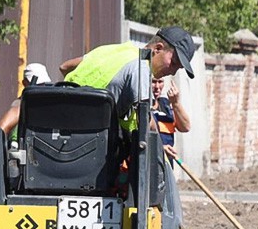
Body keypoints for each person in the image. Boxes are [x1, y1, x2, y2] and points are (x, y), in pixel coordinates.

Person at [59, 25, 196, 158]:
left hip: (59, 130)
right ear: (158, 48)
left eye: (178, 68)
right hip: (87, 149)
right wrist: (159, 147)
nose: (173, 71)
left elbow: (65, 67)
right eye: (173, 63)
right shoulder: (141, 68)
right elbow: (145, 122)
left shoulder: (116, 50)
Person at [0, 63, 52, 138]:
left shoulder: (50, 104)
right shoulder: (20, 105)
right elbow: (0, 131)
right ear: (24, 83)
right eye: (37, 85)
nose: (41, 88)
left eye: (42, 84)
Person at [152, 77, 190, 163]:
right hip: (147, 164)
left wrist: (175, 103)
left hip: (166, 164)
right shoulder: (140, 105)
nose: (157, 87)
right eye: (153, 82)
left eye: (160, 82)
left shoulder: (166, 105)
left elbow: (185, 127)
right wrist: (160, 148)